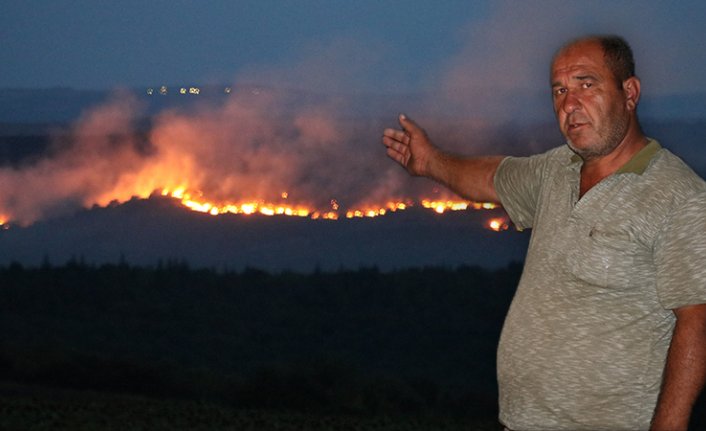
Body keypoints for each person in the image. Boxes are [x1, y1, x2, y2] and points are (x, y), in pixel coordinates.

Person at [382, 35, 706, 431]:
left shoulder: (678, 195)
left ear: (629, 93)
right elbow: (491, 178)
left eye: (586, 84)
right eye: (559, 90)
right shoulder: (557, 170)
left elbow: (698, 320)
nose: (570, 104)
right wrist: (431, 161)